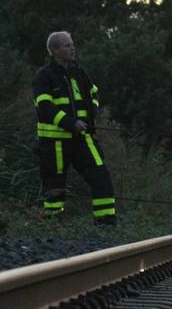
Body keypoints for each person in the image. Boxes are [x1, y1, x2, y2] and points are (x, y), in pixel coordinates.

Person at [32, 31, 117, 225]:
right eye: (67, 45)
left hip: (82, 138)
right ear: (55, 50)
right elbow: (44, 106)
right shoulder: (44, 76)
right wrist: (71, 123)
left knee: (100, 176)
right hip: (54, 142)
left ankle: (106, 224)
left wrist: (91, 113)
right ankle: (51, 225)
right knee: (55, 185)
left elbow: (94, 92)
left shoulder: (78, 72)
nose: (72, 48)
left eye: (72, 44)